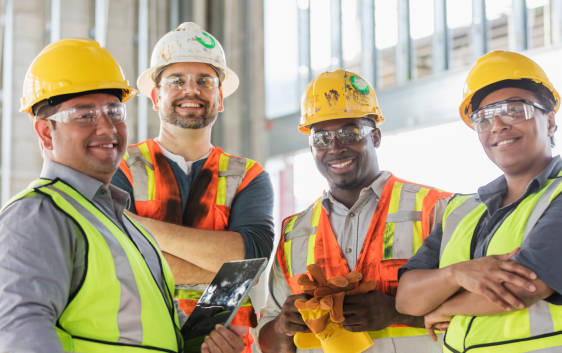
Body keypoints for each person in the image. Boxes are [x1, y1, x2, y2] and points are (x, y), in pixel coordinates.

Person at [0, 38, 245, 353]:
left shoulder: (129, 228)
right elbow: (20, 332)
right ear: (47, 132)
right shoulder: (39, 215)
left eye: (114, 112)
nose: (107, 127)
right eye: (85, 115)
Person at [396, 50, 562, 353]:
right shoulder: (460, 210)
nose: (497, 125)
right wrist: (456, 273)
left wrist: (443, 308)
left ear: (549, 122)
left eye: (513, 110)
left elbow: (524, 288)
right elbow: (407, 300)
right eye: (483, 118)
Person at [258, 69, 452, 353]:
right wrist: (283, 326)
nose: (335, 146)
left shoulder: (435, 209)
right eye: (321, 137)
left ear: (375, 137)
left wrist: (397, 313)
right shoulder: (294, 233)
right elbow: (267, 341)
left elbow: (477, 308)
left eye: (349, 132)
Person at [111, 22, 274, 351]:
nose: (192, 91)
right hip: (138, 342)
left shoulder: (249, 176)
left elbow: (249, 259)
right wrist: (222, 267)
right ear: (156, 97)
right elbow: (115, 259)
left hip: (224, 345)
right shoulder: (120, 168)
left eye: (204, 81)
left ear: (220, 97)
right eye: (177, 81)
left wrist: (136, 227)